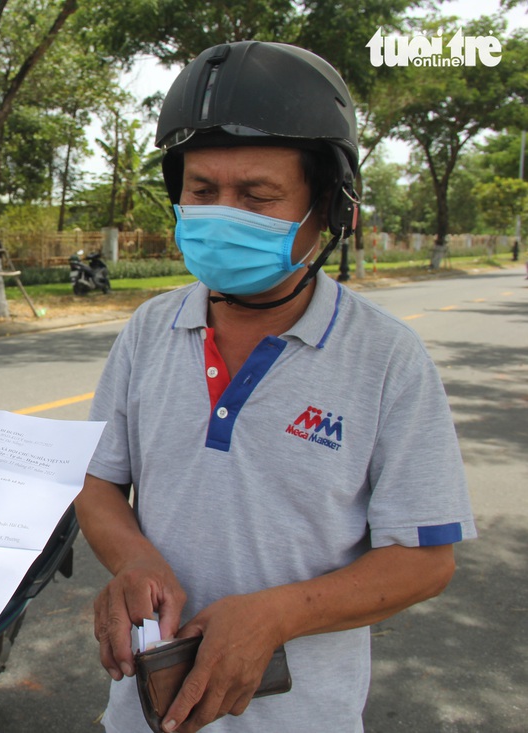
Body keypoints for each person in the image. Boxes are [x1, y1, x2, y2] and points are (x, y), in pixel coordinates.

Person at [76, 41, 476, 733]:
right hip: (145, 713)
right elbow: (98, 482)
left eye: (256, 196)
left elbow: (424, 560)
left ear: (327, 207)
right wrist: (135, 561)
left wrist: (275, 613)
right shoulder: (148, 330)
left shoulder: (386, 357)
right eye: (201, 192)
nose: (220, 212)